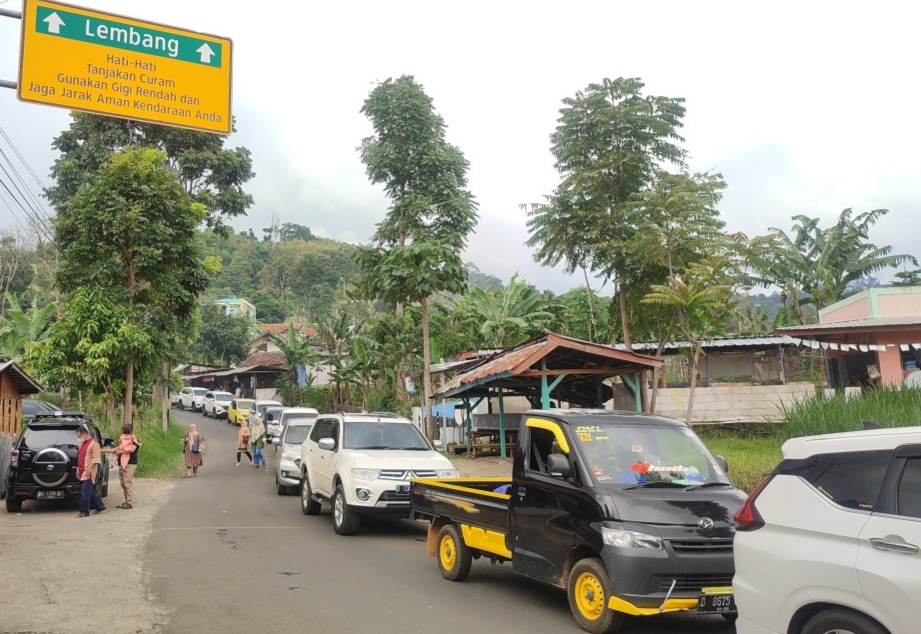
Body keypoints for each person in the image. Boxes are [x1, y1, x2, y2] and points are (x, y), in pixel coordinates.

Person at [102, 423, 141, 509]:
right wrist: (102, 450)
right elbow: (116, 449)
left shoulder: (134, 439)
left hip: (130, 464)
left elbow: (131, 450)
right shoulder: (123, 440)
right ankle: (126, 500)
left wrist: (120, 452)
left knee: (127, 482)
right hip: (122, 464)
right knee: (123, 483)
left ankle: (129, 502)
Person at [75, 424, 105, 518]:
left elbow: (96, 459)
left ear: (84, 434)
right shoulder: (82, 444)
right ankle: (100, 506)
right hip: (81, 470)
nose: (78, 438)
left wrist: (89, 468)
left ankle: (84, 511)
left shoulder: (94, 443)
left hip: (89, 471)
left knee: (85, 492)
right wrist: (77, 468)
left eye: (79, 436)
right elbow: (80, 457)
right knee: (89, 491)